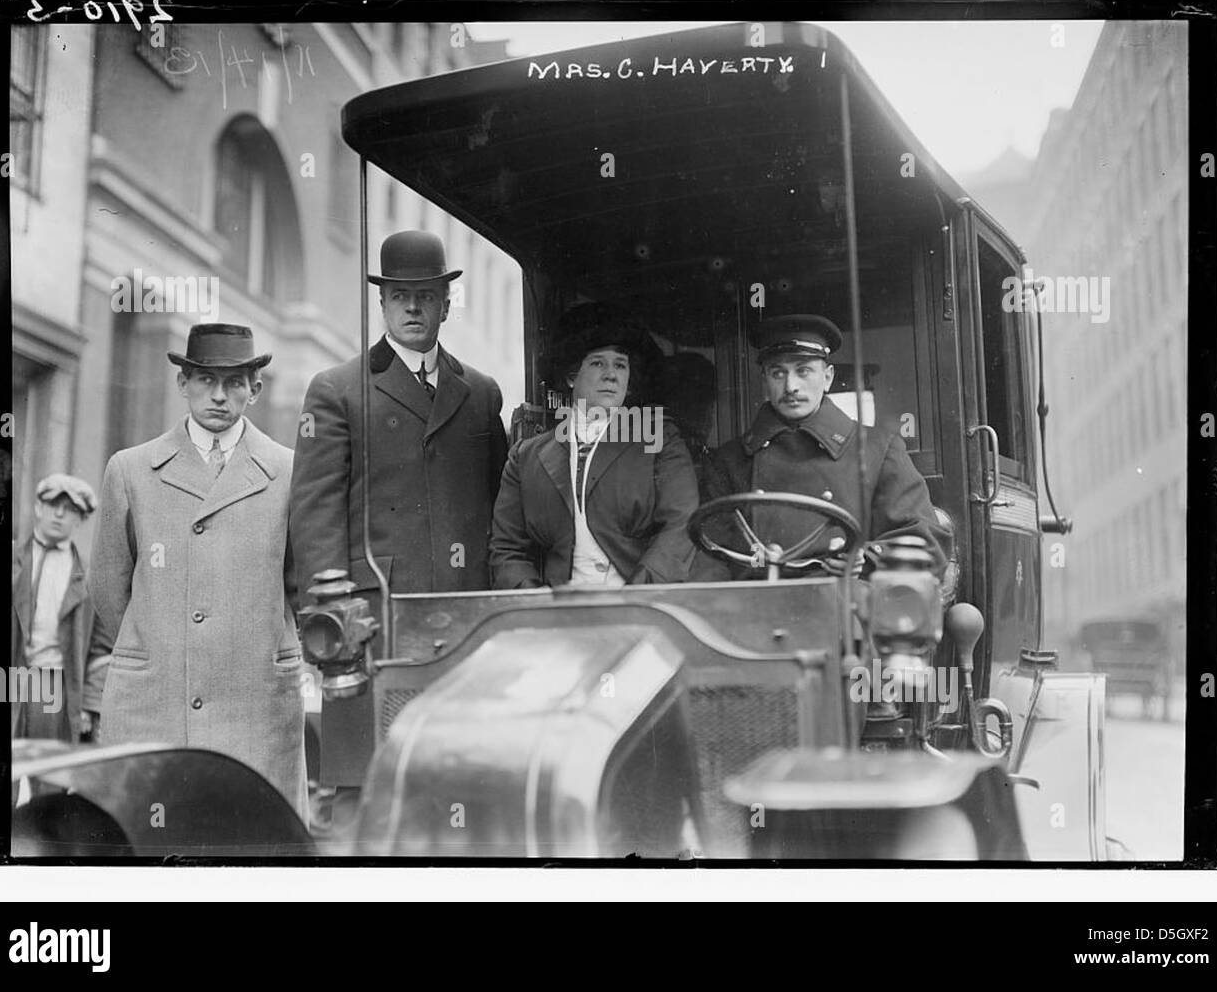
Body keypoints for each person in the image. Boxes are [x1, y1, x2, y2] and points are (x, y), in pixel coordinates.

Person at [289, 229, 508, 788]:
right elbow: (314, 514)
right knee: (364, 786)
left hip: (466, 621)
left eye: (427, 294)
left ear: (446, 304)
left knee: (464, 776)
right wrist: (330, 623)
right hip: (373, 626)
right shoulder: (338, 390)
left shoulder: (481, 393)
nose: (413, 306)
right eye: (399, 295)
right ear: (382, 303)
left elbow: (502, 511)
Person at [88, 323, 306, 817]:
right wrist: (162, 639)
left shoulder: (289, 471)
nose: (219, 396)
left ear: (256, 389)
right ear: (182, 383)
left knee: (253, 845)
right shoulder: (131, 469)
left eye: (234, 383)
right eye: (206, 380)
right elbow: (108, 588)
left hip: (255, 703)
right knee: (151, 847)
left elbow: (300, 582)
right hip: (155, 700)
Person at [697, 313, 951, 579]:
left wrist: (867, 559)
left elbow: (926, 542)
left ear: (827, 377)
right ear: (765, 383)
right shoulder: (728, 460)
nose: (791, 386)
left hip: (845, 605)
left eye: (803, 371)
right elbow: (710, 555)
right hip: (756, 607)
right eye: (777, 373)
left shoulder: (878, 448)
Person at [490, 304, 698, 589]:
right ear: (571, 375)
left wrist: (637, 594)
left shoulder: (658, 438)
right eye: (598, 363)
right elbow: (506, 549)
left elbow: (681, 523)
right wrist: (535, 601)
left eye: (620, 365)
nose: (611, 375)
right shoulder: (526, 457)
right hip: (558, 619)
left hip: (642, 611)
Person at [11, 474, 111, 744]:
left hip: (54, 685)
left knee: (49, 775)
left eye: (69, 510)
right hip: (6, 681)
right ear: (37, 508)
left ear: (80, 519)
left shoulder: (91, 577)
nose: (58, 514)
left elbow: (102, 647)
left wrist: (89, 703)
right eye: (52, 504)